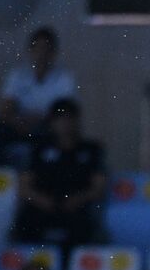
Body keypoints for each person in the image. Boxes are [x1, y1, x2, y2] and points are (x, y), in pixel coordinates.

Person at [14, 98, 107, 248]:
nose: (65, 123)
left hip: (76, 209)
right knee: (25, 223)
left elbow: (98, 188)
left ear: (77, 120)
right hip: (42, 208)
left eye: (70, 118)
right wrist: (43, 201)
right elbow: (24, 188)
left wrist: (77, 199)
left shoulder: (91, 150)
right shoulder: (38, 149)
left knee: (84, 226)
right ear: (52, 122)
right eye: (60, 118)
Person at [0, 27, 79, 154]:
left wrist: (39, 120)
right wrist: (18, 121)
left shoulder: (65, 78)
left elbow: (65, 112)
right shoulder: (17, 76)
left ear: (54, 53)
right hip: (19, 125)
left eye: (46, 49)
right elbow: (6, 108)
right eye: (38, 48)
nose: (42, 54)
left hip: (48, 128)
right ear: (30, 50)